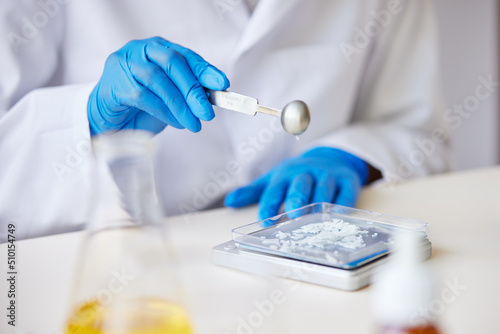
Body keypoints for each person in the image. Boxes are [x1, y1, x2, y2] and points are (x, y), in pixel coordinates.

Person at [0, 0, 449, 240]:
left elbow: (414, 126)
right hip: (127, 267)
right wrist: (88, 123)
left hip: (301, 260)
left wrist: (351, 156)